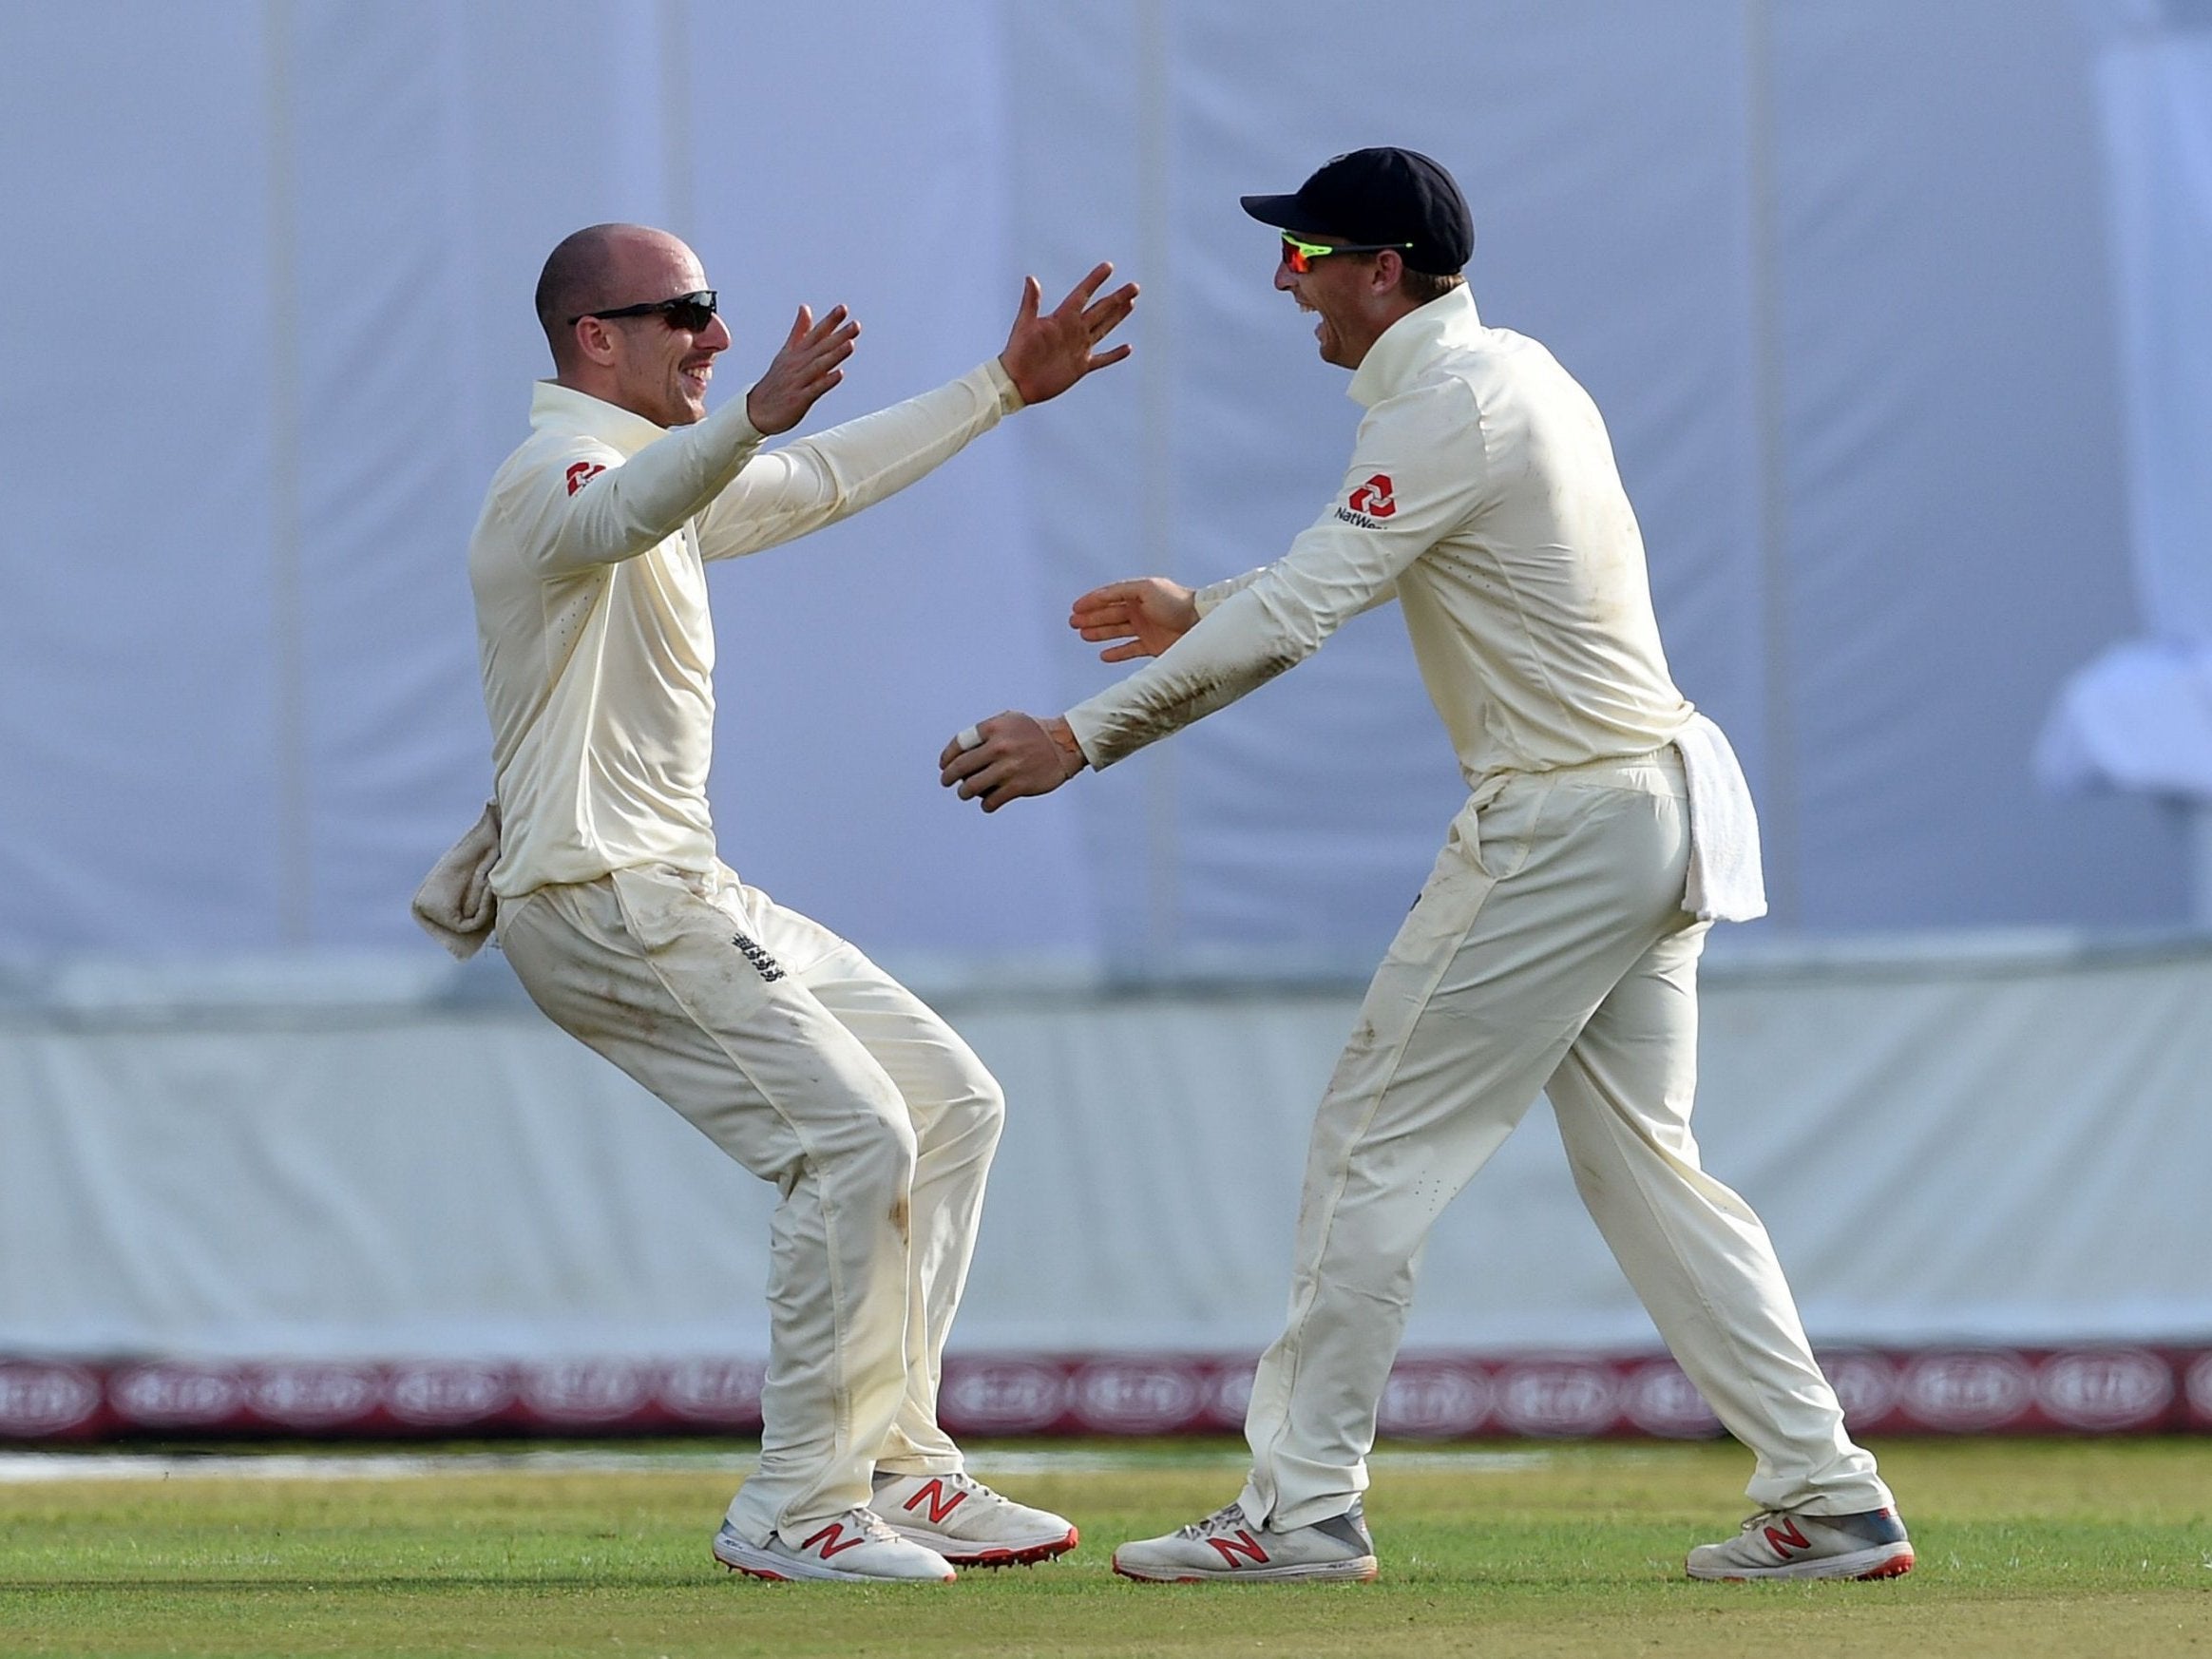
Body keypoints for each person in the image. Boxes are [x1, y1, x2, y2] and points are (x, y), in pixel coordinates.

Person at [938, 148, 1912, 1586]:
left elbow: (1306, 615)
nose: (1289, 283)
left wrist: (1081, 736)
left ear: (1380, 268)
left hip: (1569, 822)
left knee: (1371, 1147)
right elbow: (1335, 566)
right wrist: (1198, 601)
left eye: (1307, 256)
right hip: (1656, 806)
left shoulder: (1452, 400)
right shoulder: (1503, 375)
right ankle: (1828, 1492)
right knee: (1649, 1171)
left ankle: (1300, 1509)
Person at [441, 221, 1135, 1584]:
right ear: (597, 337)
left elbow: (814, 477)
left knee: (949, 1102)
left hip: (685, 884)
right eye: (685, 312)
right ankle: (793, 1501)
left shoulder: (666, 468)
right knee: (853, 1138)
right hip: (599, 895)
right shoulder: (554, 472)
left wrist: (997, 386)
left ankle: (897, 1466)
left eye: (716, 312)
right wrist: (749, 415)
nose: (714, 334)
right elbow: (615, 519)